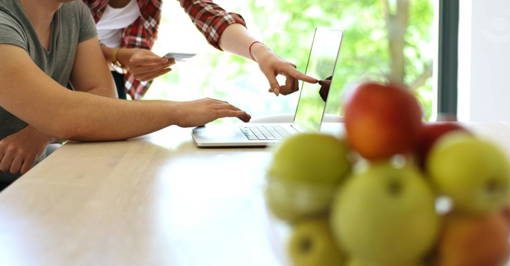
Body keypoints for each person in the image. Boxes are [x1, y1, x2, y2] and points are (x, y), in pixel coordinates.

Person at [0, 0, 256, 190]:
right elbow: (62, 114)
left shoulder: (74, 12)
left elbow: (103, 99)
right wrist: (179, 111)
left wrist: (43, 130)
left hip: (30, 178)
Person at [82, 0, 319, 100]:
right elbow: (62, 35)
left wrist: (261, 53)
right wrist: (116, 56)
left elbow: (212, 19)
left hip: (112, 74)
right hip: (65, 65)